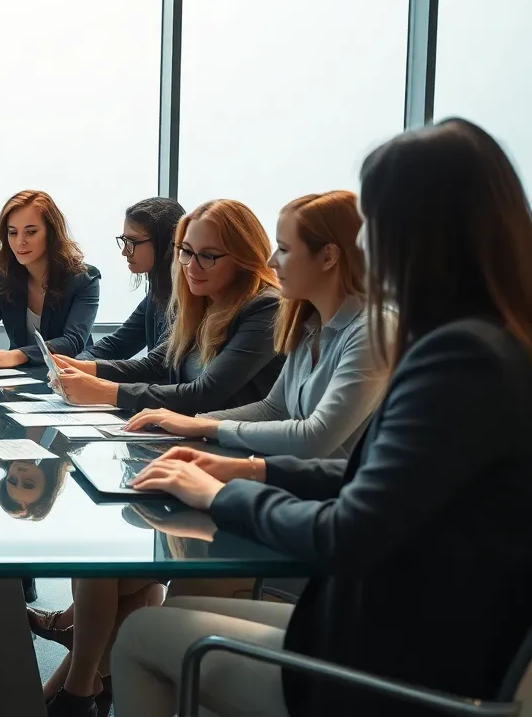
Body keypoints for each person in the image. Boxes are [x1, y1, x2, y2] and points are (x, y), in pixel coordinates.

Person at [116, 118, 532, 717]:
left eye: (376, 225)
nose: (365, 246)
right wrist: (249, 473)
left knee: (141, 639)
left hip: (397, 666)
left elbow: (349, 534)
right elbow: (379, 487)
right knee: (172, 617)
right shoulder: (494, 342)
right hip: (419, 633)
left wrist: (218, 494)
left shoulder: (458, 358)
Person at [123, 191, 385, 458]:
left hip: (328, 493)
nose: (271, 261)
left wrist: (206, 426)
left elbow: (315, 438)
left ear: (329, 257)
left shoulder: (371, 332)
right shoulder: (307, 323)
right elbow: (274, 409)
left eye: (283, 249)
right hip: (295, 480)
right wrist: (194, 423)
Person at [50, 199, 283, 414]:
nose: (191, 267)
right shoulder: (202, 301)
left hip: (240, 452)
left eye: (207, 256)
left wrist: (104, 391)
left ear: (243, 258)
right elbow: (154, 366)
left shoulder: (265, 307)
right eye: (186, 252)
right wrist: (77, 366)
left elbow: (206, 394)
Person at [0, 190, 102, 368]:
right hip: (19, 381)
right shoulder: (4, 276)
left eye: (31, 232)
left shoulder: (84, 279)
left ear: (51, 233)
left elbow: (73, 342)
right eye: (13, 233)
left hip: (71, 379)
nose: (20, 241)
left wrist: (17, 355)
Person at [80, 197, 186, 359]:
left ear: (165, 241)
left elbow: (155, 366)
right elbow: (119, 344)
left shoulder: (186, 297)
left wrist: (85, 370)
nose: (125, 252)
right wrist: (73, 364)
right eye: (124, 241)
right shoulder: (158, 292)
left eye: (133, 241)